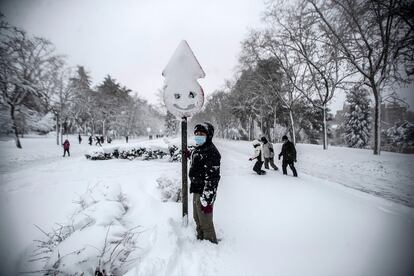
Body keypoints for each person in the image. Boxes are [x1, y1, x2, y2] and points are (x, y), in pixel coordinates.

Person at [189, 122, 221, 244]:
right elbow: (199, 162)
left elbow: (212, 178)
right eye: (196, 133)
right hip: (196, 189)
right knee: (197, 219)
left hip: (205, 192)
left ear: (209, 135)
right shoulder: (200, 148)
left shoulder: (212, 152)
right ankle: (201, 239)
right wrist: (190, 155)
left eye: (201, 134)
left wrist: (207, 198)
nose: (198, 136)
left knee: (205, 222)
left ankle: (210, 244)